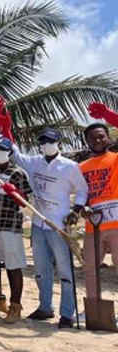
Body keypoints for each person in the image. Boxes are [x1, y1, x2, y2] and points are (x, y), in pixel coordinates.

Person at [11, 129, 87, 328]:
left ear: (58, 142)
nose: (46, 144)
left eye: (50, 141)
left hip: (59, 225)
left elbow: (82, 191)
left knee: (65, 270)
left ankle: (67, 313)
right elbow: (15, 154)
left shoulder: (70, 167)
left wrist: (76, 211)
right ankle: (45, 307)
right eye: (43, 141)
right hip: (38, 223)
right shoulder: (35, 162)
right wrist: (3, 128)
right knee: (41, 269)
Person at [0, 137, 32, 324]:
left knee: (13, 266)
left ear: (9, 153)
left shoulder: (18, 173)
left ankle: (15, 306)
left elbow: (27, 203)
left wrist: (16, 194)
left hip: (11, 226)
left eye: (3, 150)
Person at [80, 102, 118, 310]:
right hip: (92, 226)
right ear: (87, 142)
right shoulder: (81, 167)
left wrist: (107, 115)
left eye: (101, 136)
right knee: (90, 269)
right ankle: (93, 308)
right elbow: (80, 195)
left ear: (109, 138)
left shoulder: (116, 159)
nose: (97, 140)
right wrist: (83, 207)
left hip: (116, 225)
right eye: (92, 137)